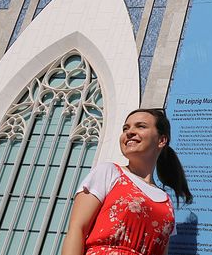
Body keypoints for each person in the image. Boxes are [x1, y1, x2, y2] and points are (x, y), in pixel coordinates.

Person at [62, 108, 193, 255]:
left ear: (161, 140)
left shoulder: (166, 203)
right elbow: (77, 229)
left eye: (141, 126)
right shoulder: (109, 172)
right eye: (126, 128)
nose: (129, 132)